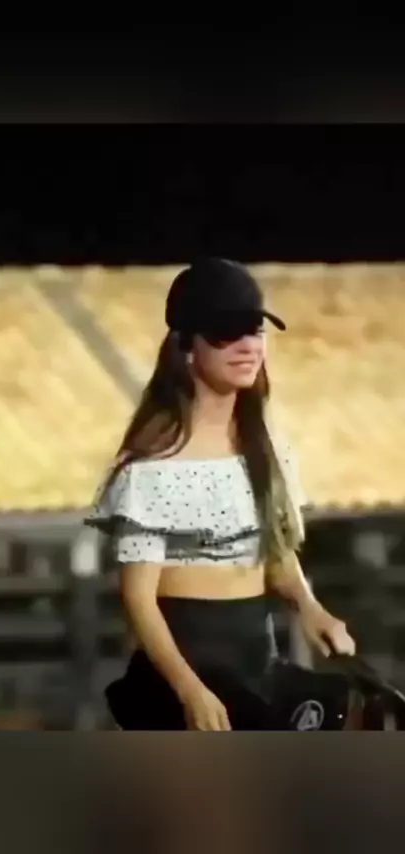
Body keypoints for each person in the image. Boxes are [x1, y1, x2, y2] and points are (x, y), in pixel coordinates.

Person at [84, 258, 356, 730]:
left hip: (257, 660)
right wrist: (190, 690)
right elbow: (139, 599)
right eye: (228, 333)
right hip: (185, 670)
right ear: (186, 347)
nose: (249, 346)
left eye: (255, 330)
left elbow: (274, 552)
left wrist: (310, 607)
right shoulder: (153, 466)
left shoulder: (267, 450)